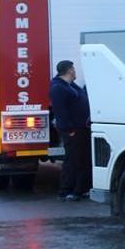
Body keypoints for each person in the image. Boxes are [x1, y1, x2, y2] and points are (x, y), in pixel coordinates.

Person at [50, 60, 91, 201]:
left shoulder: (71, 85)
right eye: (73, 69)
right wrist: (69, 129)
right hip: (72, 130)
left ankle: (81, 189)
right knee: (72, 161)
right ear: (69, 71)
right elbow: (61, 111)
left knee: (83, 160)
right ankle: (66, 190)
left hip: (82, 128)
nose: (75, 71)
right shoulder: (58, 88)